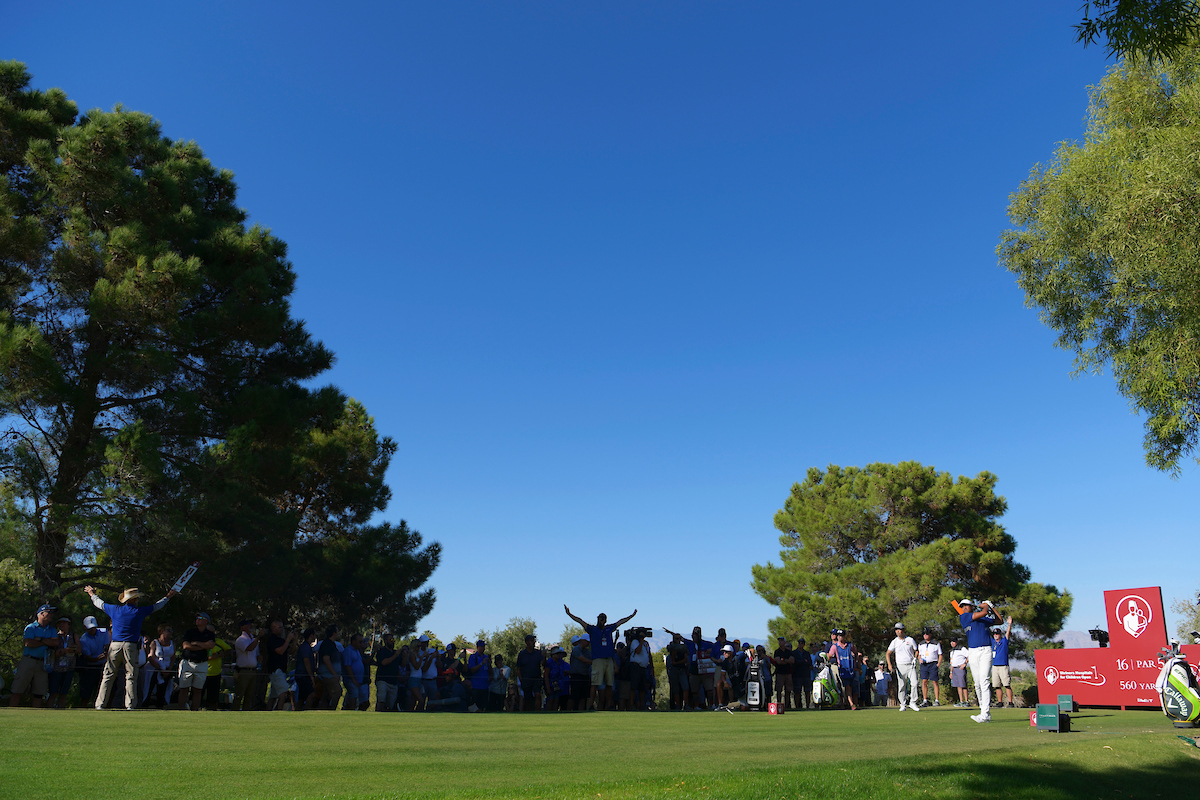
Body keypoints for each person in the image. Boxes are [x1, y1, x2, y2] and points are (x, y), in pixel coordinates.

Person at [85, 584, 176, 710]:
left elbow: (99, 603)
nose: (138, 600)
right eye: (137, 598)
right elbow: (157, 606)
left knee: (108, 675)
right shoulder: (139, 611)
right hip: (130, 646)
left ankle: (100, 704)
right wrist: (168, 597)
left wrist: (91, 594)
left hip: (115, 645)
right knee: (131, 675)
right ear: (133, 600)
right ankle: (130, 705)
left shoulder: (115, 609)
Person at [564, 605, 638, 712]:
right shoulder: (592, 630)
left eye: (603, 619)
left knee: (609, 683)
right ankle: (591, 705)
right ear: (597, 619)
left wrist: (631, 616)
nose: (601, 620)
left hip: (608, 659)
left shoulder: (609, 629)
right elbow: (580, 621)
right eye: (600, 618)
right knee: (595, 683)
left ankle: (609, 705)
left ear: (605, 620)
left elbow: (620, 622)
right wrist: (569, 614)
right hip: (598, 659)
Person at [10, 604, 60, 708]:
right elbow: (29, 643)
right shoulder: (31, 628)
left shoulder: (51, 629)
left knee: (39, 692)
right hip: (29, 660)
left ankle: (35, 714)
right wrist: (46, 642)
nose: (52, 615)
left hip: (43, 662)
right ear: (41, 614)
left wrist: (39, 639)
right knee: (18, 689)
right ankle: (12, 711)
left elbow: (55, 643)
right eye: (49, 612)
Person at [958, 598, 1000, 723]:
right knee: (977, 683)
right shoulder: (964, 617)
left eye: (967, 605)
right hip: (973, 651)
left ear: (972, 607)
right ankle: (983, 710)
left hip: (986, 651)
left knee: (984, 681)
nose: (964, 608)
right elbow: (984, 612)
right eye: (962, 606)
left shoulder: (983, 619)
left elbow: (1000, 621)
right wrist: (986, 606)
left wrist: (991, 607)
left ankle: (984, 713)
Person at [178, 612, 216, 711]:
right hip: (188, 663)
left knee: (198, 690)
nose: (198, 619)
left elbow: (211, 645)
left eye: (200, 618)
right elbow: (186, 646)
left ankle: (195, 710)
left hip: (202, 663)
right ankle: (181, 710)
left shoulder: (209, 634)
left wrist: (196, 643)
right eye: (197, 617)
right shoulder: (190, 632)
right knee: (184, 689)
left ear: (206, 621)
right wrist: (203, 646)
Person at [885, 622, 920, 712]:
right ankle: (903, 704)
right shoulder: (895, 641)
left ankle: (913, 702)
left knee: (915, 683)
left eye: (899, 629)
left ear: (903, 630)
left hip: (910, 665)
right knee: (902, 686)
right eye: (896, 630)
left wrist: (915, 659)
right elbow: (888, 653)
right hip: (900, 666)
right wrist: (889, 664)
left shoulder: (910, 640)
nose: (897, 631)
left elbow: (916, 650)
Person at [47, 615, 80, 709]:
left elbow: (79, 649)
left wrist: (69, 650)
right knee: (53, 692)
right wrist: (62, 651)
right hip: (56, 668)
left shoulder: (73, 636)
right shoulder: (55, 636)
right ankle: (49, 710)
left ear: (69, 625)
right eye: (60, 623)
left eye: (64, 623)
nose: (62, 625)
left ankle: (61, 709)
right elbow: (53, 653)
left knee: (64, 693)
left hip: (69, 667)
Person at [77, 616, 110, 707]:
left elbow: (107, 646)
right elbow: (89, 658)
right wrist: (98, 658)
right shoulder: (83, 640)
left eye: (93, 627)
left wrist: (106, 654)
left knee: (102, 692)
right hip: (90, 668)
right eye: (90, 628)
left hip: (103, 666)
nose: (92, 630)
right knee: (86, 694)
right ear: (85, 627)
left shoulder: (104, 632)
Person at [263, 620, 295, 711]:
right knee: (284, 692)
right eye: (280, 627)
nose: (282, 630)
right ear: (274, 628)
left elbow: (290, 651)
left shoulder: (281, 640)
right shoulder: (271, 639)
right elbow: (280, 651)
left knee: (273, 695)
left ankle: (268, 712)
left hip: (282, 670)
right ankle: (279, 711)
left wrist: (294, 640)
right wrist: (288, 639)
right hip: (276, 669)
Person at [232, 619, 261, 711]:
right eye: (248, 624)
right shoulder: (241, 640)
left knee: (249, 695)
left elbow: (256, 653)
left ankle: (246, 713)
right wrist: (258, 637)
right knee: (239, 694)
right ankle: (235, 712)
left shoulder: (253, 639)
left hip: (253, 670)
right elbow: (249, 648)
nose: (251, 626)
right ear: (242, 627)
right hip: (243, 671)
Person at [145, 623, 175, 709]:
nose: (171, 632)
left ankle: (161, 705)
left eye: (171, 630)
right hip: (155, 669)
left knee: (162, 690)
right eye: (168, 630)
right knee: (149, 689)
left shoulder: (172, 643)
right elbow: (151, 657)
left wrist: (168, 670)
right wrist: (160, 669)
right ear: (162, 631)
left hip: (166, 670)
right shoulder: (155, 643)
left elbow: (173, 658)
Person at [827, 629, 858, 710]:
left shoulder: (850, 645)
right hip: (842, 669)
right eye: (838, 636)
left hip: (850, 669)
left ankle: (849, 703)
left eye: (841, 636)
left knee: (852, 687)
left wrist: (854, 662)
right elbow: (829, 655)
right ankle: (850, 703)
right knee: (846, 686)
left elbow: (856, 653)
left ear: (844, 636)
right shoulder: (835, 646)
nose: (840, 637)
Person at [316, 626, 344, 710]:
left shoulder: (332, 644)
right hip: (327, 674)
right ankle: (332, 709)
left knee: (326, 695)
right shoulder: (327, 644)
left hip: (330, 674)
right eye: (337, 632)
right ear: (334, 633)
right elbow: (326, 659)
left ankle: (323, 710)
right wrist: (334, 673)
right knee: (337, 691)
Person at [516, 634, 544, 711]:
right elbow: (518, 668)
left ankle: (537, 711)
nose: (533, 642)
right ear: (527, 642)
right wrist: (521, 680)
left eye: (534, 641)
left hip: (536, 678)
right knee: (527, 698)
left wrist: (544, 657)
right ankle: (528, 713)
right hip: (526, 679)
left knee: (537, 695)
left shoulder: (538, 653)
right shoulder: (522, 654)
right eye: (532, 641)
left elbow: (543, 664)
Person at [374, 632, 402, 711]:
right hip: (383, 680)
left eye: (393, 640)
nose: (393, 641)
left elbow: (402, 664)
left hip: (393, 682)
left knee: (390, 705)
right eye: (391, 640)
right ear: (386, 641)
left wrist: (405, 655)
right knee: (381, 700)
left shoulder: (395, 652)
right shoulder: (382, 651)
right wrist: (395, 655)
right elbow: (384, 662)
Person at [991, 616, 1015, 708]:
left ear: (1000, 634)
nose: (996, 635)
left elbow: (1008, 634)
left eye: (997, 633)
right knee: (997, 685)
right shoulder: (992, 642)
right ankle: (1000, 702)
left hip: (1003, 665)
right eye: (994, 634)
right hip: (995, 666)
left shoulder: (1004, 641)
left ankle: (1010, 702)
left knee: (1006, 684)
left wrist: (1009, 625)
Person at [205, 630, 232, 711]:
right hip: (203, 672)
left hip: (216, 672)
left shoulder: (218, 641)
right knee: (199, 693)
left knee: (214, 695)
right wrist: (209, 657)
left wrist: (221, 654)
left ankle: (213, 710)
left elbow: (229, 650)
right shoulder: (202, 642)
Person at [665, 631, 690, 711]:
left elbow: (685, 658)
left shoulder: (683, 648)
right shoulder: (672, 647)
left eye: (679, 638)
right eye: (676, 639)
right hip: (674, 670)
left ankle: (685, 704)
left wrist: (676, 662)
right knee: (676, 689)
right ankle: (678, 705)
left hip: (681, 669)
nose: (678, 640)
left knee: (685, 687)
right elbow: (672, 658)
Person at [918, 628, 943, 707]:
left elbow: (940, 654)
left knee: (934, 681)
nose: (926, 635)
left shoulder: (936, 644)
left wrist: (938, 664)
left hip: (933, 664)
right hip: (924, 665)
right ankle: (925, 700)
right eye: (924, 634)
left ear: (930, 635)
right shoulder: (921, 644)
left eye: (927, 634)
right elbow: (919, 654)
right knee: (924, 681)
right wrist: (919, 659)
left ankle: (937, 700)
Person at [342, 633, 366, 711]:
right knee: (354, 696)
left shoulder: (357, 651)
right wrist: (353, 679)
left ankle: (346, 710)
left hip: (358, 680)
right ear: (353, 641)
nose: (361, 644)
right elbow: (347, 666)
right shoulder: (348, 651)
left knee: (353, 697)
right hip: (351, 680)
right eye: (360, 642)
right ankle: (351, 712)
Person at [295, 628, 318, 710]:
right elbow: (306, 661)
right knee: (311, 694)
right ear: (311, 636)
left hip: (302, 675)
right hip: (303, 675)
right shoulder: (305, 647)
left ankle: (298, 711)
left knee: (302, 697)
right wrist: (311, 676)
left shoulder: (307, 647)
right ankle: (307, 711)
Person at [568, 634, 592, 710]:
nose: (588, 643)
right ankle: (569, 711)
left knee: (583, 696)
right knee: (574, 695)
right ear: (583, 641)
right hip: (576, 675)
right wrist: (595, 663)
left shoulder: (587, 651)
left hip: (585, 675)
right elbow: (583, 659)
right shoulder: (576, 649)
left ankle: (581, 711)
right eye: (587, 641)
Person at [466, 639, 491, 712]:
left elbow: (490, 671)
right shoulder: (473, 657)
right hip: (476, 686)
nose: (483, 648)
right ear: (478, 647)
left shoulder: (486, 657)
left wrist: (489, 664)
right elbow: (472, 670)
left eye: (484, 646)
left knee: (483, 707)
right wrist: (481, 664)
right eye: (481, 646)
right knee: (475, 707)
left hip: (485, 686)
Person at [545, 646, 571, 711]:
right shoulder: (549, 662)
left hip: (558, 685)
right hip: (551, 684)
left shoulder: (560, 663)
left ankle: (555, 714)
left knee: (556, 700)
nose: (559, 655)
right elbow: (546, 675)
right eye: (557, 654)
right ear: (553, 655)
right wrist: (548, 688)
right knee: (550, 700)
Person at [773, 637, 795, 709]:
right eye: (779, 641)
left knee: (788, 690)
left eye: (782, 641)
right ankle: (779, 705)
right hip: (780, 673)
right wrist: (786, 660)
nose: (780, 642)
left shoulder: (788, 652)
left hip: (788, 673)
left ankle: (787, 705)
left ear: (784, 642)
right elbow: (778, 661)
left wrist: (783, 660)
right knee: (779, 690)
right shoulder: (777, 652)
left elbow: (792, 661)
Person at [948, 637, 970, 707]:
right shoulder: (952, 651)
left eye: (954, 641)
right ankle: (961, 701)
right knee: (958, 685)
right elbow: (951, 662)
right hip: (954, 669)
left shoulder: (962, 648)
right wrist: (951, 672)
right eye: (951, 641)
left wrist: (965, 664)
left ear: (957, 642)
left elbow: (969, 655)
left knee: (963, 685)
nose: (952, 643)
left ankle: (966, 701)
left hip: (960, 668)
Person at [793, 639, 813, 710]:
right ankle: (797, 707)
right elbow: (795, 662)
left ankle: (807, 706)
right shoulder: (794, 653)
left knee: (807, 691)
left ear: (804, 644)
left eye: (801, 643)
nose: (800, 644)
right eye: (799, 643)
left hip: (806, 675)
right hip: (797, 675)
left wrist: (801, 662)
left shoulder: (806, 653)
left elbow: (809, 663)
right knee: (797, 692)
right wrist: (803, 661)